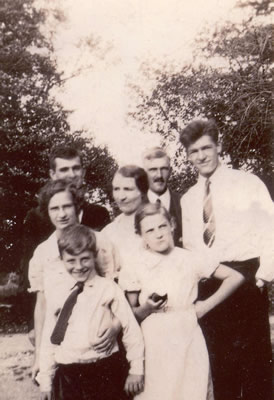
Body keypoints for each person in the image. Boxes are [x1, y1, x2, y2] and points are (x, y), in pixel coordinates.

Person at [180, 119, 273, 400]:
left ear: (218, 146)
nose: (202, 156)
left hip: (247, 277)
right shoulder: (189, 198)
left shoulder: (246, 183)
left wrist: (263, 275)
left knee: (257, 368)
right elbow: (193, 249)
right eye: (194, 151)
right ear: (187, 155)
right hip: (212, 281)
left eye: (206, 148)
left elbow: (269, 229)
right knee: (223, 369)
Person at [119, 202, 244, 400]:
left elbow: (235, 277)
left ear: (172, 225)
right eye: (150, 230)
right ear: (141, 235)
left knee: (192, 389)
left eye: (162, 226)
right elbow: (130, 315)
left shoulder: (189, 258)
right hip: (153, 340)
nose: (158, 234)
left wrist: (204, 307)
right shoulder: (135, 264)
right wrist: (147, 308)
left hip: (187, 333)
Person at [37, 224, 144, 400]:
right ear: (62, 260)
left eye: (85, 259)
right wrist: (45, 381)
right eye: (71, 260)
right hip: (69, 373)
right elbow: (50, 338)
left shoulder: (108, 288)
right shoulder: (57, 294)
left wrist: (136, 369)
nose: (78, 266)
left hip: (105, 369)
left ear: (94, 256)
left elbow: (130, 329)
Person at [28, 179, 118, 383]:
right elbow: (42, 307)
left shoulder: (100, 242)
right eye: (55, 208)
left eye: (67, 206)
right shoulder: (43, 253)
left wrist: (115, 326)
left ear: (77, 206)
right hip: (62, 352)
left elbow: (115, 292)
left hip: (100, 347)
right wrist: (38, 358)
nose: (62, 214)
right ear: (47, 211)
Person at [21, 144, 110, 343]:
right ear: (52, 174)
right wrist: (33, 326)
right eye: (64, 170)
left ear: (83, 172)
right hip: (56, 313)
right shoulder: (37, 218)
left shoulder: (99, 214)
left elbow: (107, 271)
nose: (71, 175)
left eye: (75, 168)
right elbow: (32, 276)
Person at [101, 165, 149, 277]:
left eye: (128, 189)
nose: (121, 197)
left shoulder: (157, 225)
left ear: (142, 191)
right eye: (116, 189)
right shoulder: (108, 232)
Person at [142, 147, 182, 246]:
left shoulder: (185, 203)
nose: (159, 175)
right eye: (153, 170)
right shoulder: (136, 207)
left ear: (170, 171)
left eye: (164, 169)